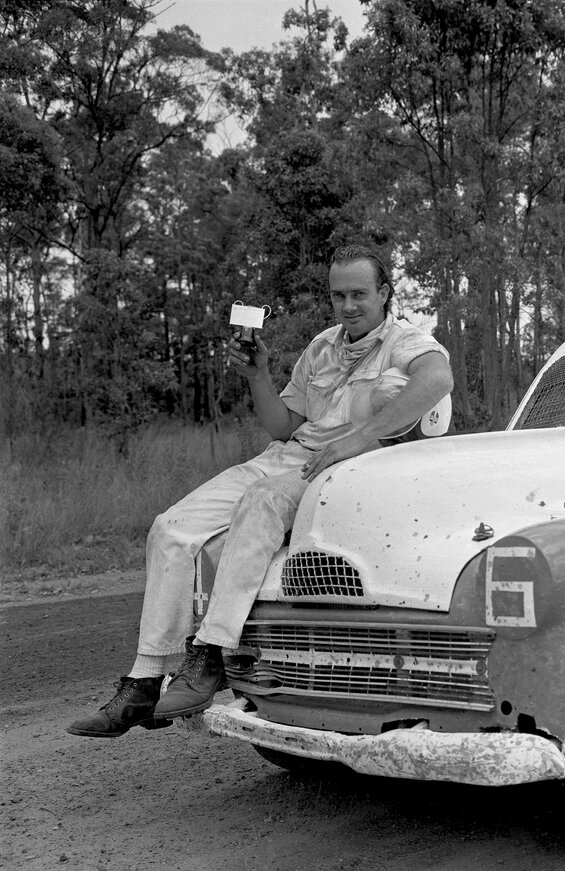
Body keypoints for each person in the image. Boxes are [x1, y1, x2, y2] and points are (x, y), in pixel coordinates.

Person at [68, 245, 454, 738]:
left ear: (384, 294)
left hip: (347, 467)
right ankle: (144, 680)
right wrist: (259, 375)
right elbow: (282, 424)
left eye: (360, 294)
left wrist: (357, 440)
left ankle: (209, 656)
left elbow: (437, 379)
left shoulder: (406, 341)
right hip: (289, 455)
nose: (349, 305)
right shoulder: (322, 347)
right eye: (339, 295)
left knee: (264, 500)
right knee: (171, 528)